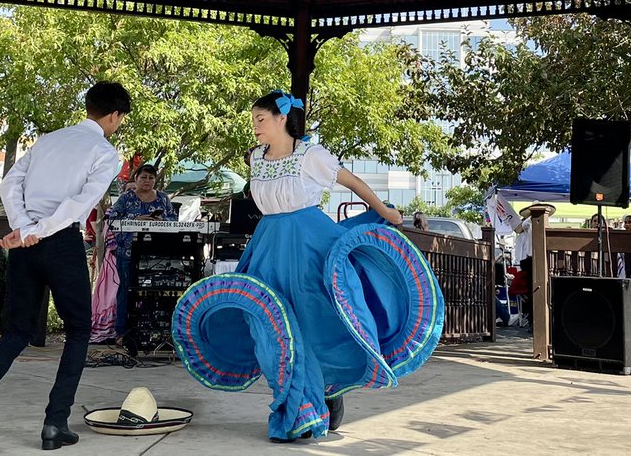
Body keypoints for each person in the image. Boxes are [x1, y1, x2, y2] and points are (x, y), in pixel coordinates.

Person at [170, 90, 443, 443]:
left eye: (260, 119)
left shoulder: (311, 155)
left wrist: (386, 211)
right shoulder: (256, 158)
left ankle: (324, 389)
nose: (255, 126)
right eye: (254, 120)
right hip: (268, 244)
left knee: (316, 321)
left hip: (309, 244)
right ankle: (299, 403)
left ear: (282, 119)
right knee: (266, 325)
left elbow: (354, 182)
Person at [0, 81, 131, 453]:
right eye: (120, 120)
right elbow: (82, 202)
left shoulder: (49, 139)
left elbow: (10, 182)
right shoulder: (105, 150)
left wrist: (23, 228)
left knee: (16, 331)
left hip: (26, 242)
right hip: (60, 241)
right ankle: (55, 422)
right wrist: (42, 230)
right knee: (80, 329)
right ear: (114, 116)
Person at [90, 164, 176, 344]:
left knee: (155, 291)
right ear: (136, 179)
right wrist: (136, 219)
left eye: (151, 178)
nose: (147, 181)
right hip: (128, 251)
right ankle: (122, 332)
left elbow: (173, 219)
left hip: (156, 253)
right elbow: (112, 219)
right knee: (126, 289)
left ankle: (153, 331)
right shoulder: (126, 198)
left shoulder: (162, 198)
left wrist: (158, 220)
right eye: (144, 177)